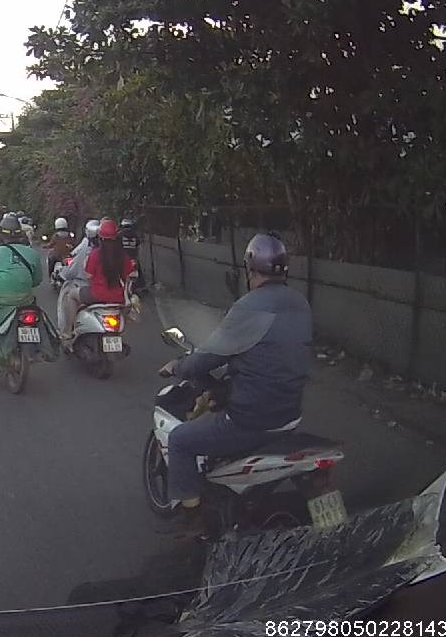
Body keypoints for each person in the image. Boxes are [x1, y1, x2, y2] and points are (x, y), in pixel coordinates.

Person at [158, 234, 310, 532]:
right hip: (290, 416)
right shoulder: (300, 303)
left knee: (180, 441)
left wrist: (179, 366)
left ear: (250, 269)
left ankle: (193, 521)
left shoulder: (249, 306)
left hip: (251, 421)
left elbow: (206, 359)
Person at [57, 219, 135, 343]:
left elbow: (88, 275)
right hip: (118, 298)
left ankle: (67, 332)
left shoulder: (95, 254)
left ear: (100, 238)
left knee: (71, 295)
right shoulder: (123, 256)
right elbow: (129, 276)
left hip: (97, 295)